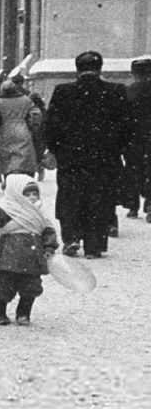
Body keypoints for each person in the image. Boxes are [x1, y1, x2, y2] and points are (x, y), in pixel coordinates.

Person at [44, 51, 133, 260]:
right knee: (100, 199)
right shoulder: (116, 91)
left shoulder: (63, 92)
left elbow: (52, 125)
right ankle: (95, 243)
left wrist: (56, 149)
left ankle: (71, 236)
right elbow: (127, 126)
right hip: (104, 157)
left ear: (77, 70)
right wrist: (117, 149)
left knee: (69, 196)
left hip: (71, 157)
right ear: (100, 69)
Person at [0, 174, 58, 327]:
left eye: (35, 194)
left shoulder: (40, 215)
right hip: (10, 256)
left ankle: (23, 313)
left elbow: (48, 231)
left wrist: (49, 247)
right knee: (5, 285)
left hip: (33, 257)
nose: (32, 198)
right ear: (16, 195)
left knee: (31, 286)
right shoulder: (10, 212)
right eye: (27, 195)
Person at [0, 75, 42, 180]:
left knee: (7, 156)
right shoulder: (25, 100)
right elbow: (36, 113)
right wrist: (33, 126)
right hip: (22, 129)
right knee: (24, 155)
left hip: (4, 131)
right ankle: (25, 176)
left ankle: (9, 177)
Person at [121, 56, 151, 221]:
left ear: (134, 74)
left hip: (133, 138)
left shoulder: (128, 91)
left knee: (133, 170)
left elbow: (121, 118)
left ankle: (133, 206)